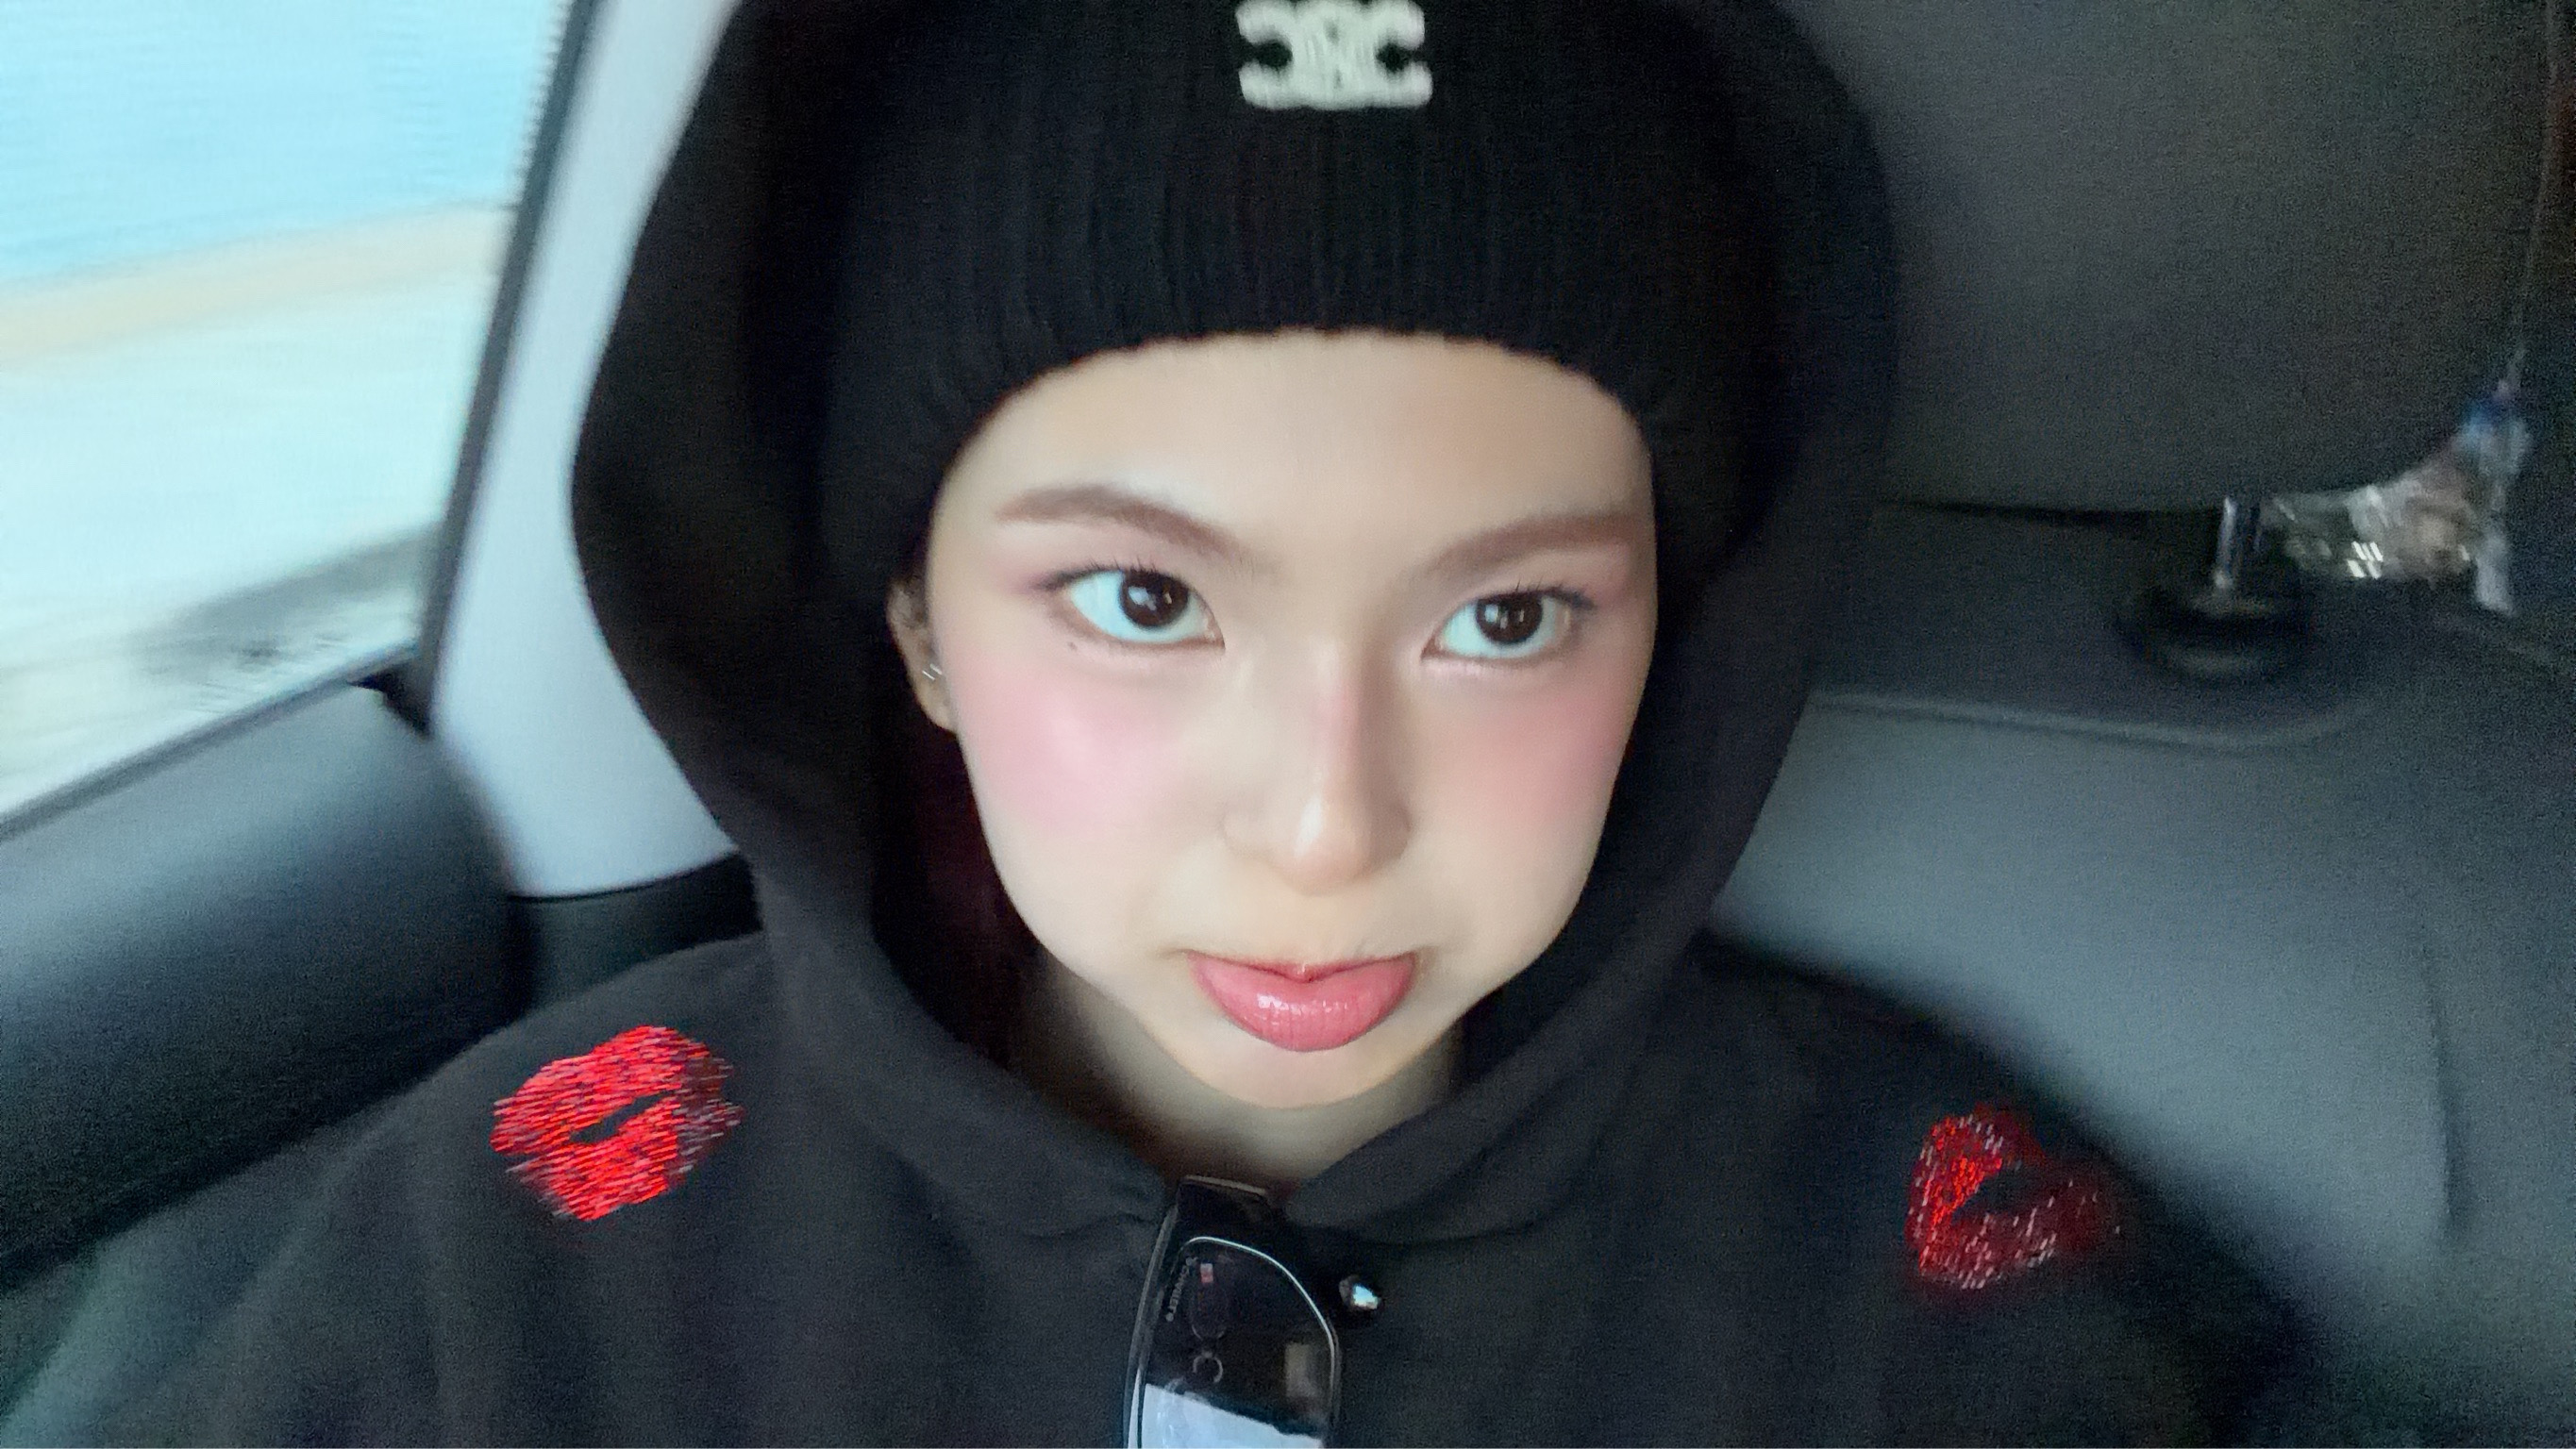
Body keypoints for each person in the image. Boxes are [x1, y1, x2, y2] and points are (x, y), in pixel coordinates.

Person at [124, 0, 2322, 1441]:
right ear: (917, 629)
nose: (1325, 826)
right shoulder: (527, 1259)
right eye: (1146, 601)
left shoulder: (1918, 1280)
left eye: (1508, 618)